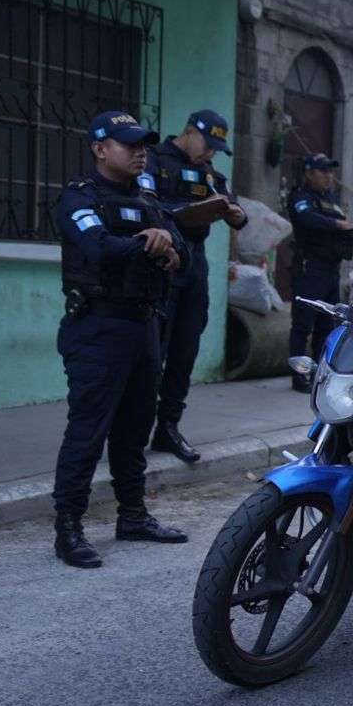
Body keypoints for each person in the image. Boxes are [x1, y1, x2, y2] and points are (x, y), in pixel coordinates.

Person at [51, 111, 190, 568]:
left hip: (143, 326)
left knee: (134, 429)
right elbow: (98, 248)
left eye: (143, 145)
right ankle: (68, 529)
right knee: (88, 431)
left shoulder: (149, 199)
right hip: (97, 327)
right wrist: (152, 244)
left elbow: (183, 252)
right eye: (129, 144)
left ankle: (132, 515)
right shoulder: (79, 197)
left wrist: (168, 244)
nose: (140, 152)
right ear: (99, 149)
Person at [145, 110, 247, 463]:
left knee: (185, 349)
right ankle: (131, 431)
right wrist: (188, 209)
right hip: (163, 262)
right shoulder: (155, 160)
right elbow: (147, 205)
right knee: (152, 351)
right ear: (189, 132)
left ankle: (168, 427)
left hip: (195, 264)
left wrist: (235, 213)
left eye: (217, 149)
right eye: (208, 144)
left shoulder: (209, 173)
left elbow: (234, 208)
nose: (210, 153)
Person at [287, 154, 353, 390]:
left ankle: (319, 373)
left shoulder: (331, 200)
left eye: (330, 172)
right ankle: (298, 376)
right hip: (310, 267)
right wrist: (337, 225)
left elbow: (339, 228)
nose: (329, 176)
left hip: (331, 268)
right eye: (323, 172)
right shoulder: (301, 197)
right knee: (303, 323)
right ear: (309, 173)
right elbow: (306, 219)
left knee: (327, 324)